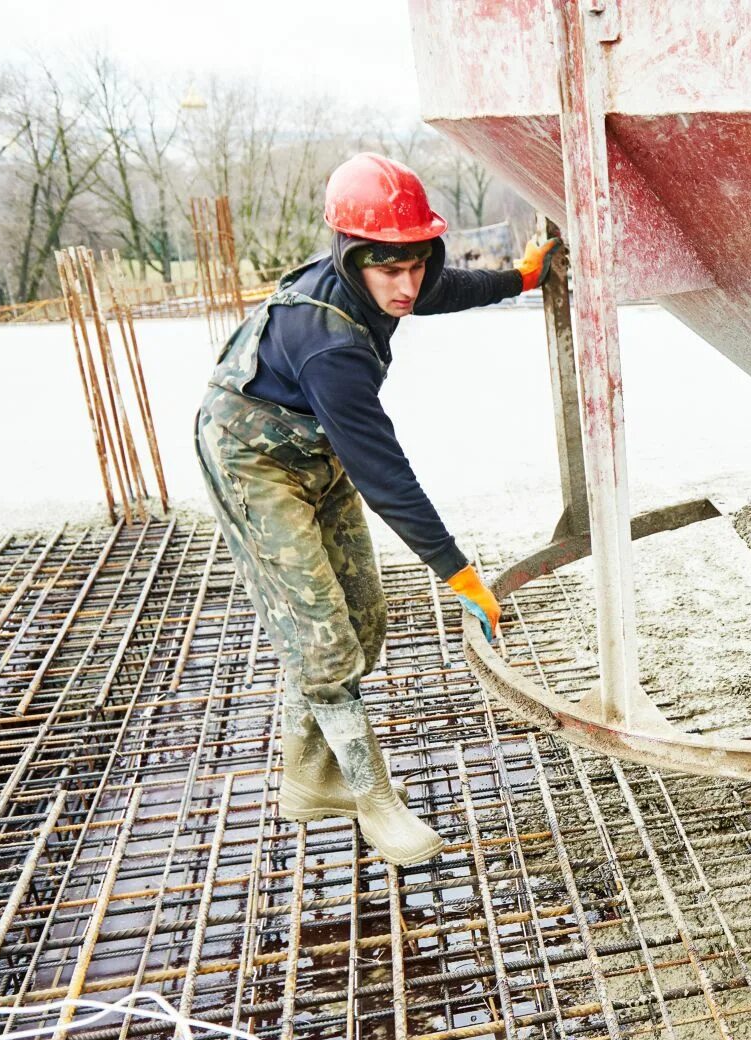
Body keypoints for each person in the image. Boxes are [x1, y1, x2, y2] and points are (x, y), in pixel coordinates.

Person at [194, 152, 561, 866]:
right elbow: (385, 475)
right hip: (253, 462)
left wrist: (519, 278)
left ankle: (306, 776)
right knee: (324, 639)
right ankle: (371, 799)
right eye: (389, 270)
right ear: (350, 255)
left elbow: (443, 289)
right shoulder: (330, 343)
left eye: (415, 263)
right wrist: (458, 572)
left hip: (313, 445)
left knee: (366, 617)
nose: (407, 285)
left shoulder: (387, 281)